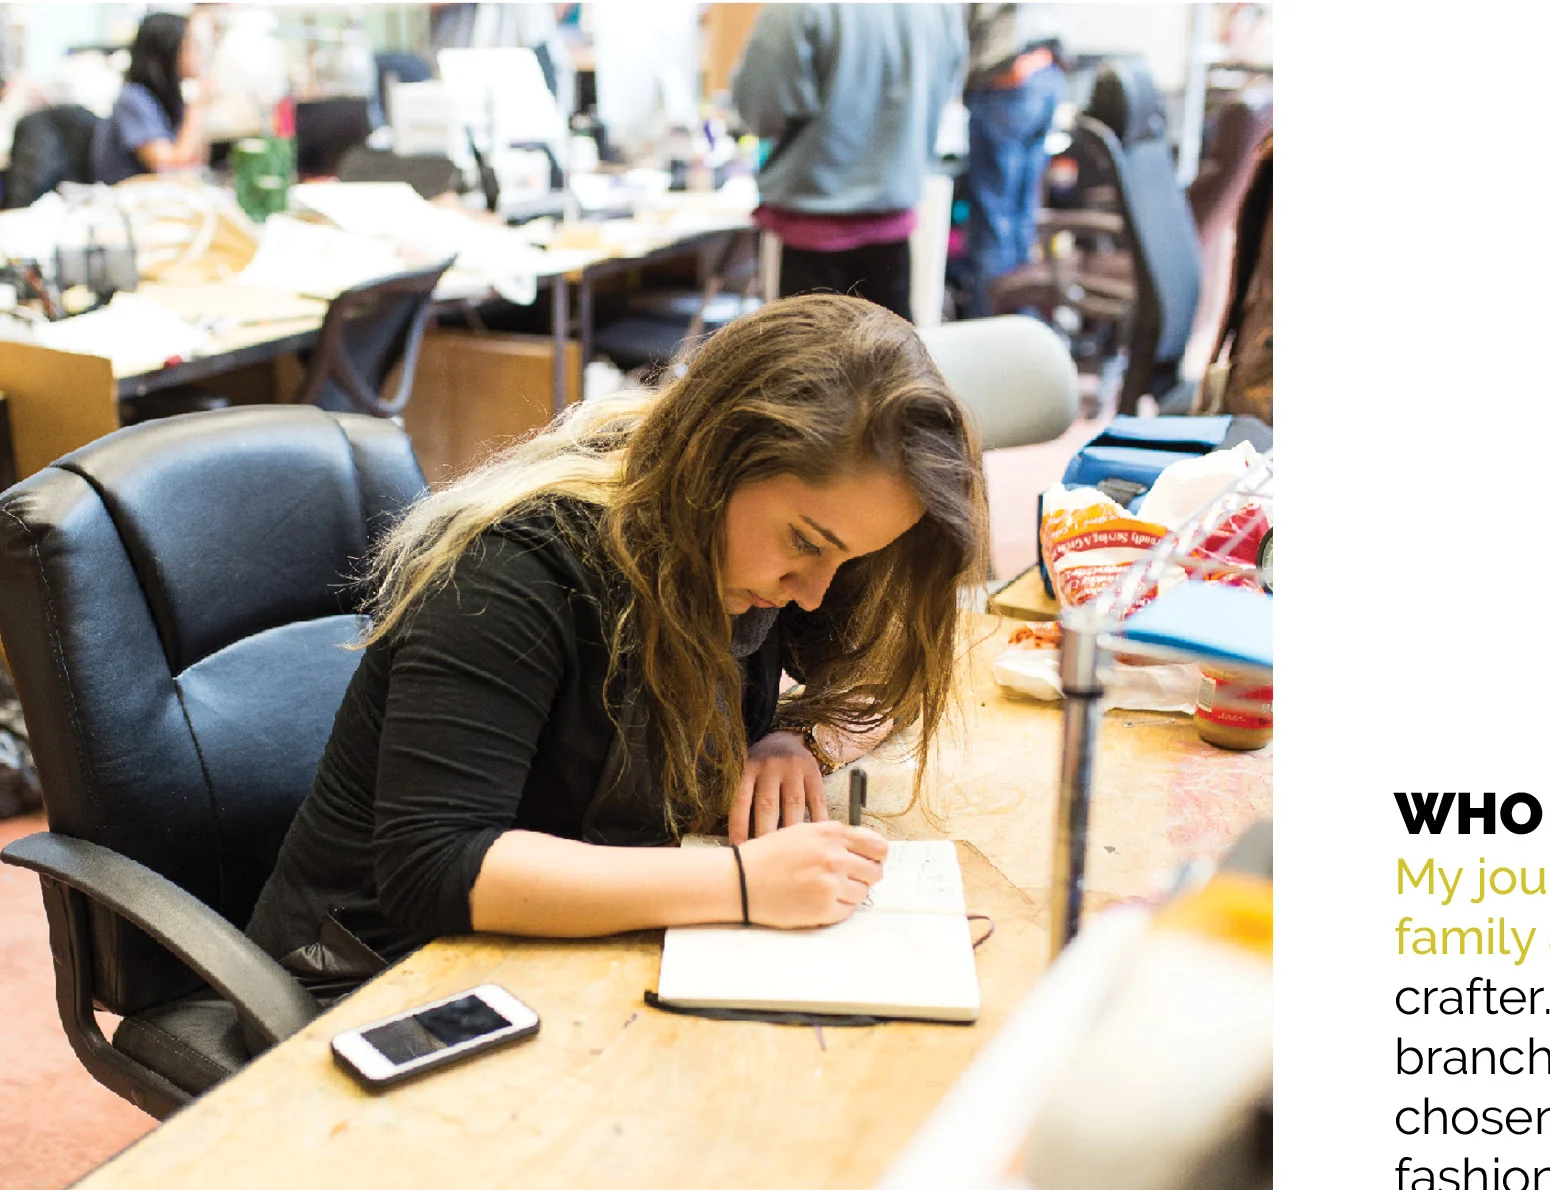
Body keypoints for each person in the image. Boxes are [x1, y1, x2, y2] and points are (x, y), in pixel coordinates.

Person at [243, 294, 984, 988]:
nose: (815, 590)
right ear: (714, 458)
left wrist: (798, 739)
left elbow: (880, 679)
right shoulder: (509, 574)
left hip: (564, 945)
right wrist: (744, 884)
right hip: (379, 971)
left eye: (848, 559)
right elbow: (438, 867)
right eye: (805, 544)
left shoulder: (773, 550)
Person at [730, 3, 969, 320]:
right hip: (893, 223)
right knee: (891, 363)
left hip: (814, 229)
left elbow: (762, 108)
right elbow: (946, 91)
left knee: (810, 363)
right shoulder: (937, 7)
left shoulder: (797, 7)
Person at [953, 7, 1068, 318]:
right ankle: (1020, 331)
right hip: (1042, 71)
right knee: (1019, 222)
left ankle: (990, 340)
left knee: (992, 226)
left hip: (1007, 77)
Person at [95, 10, 206, 181]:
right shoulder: (133, 98)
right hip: (127, 199)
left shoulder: (173, 99)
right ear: (168, 52)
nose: (199, 53)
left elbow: (196, 162)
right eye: (190, 45)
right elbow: (166, 165)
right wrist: (198, 107)